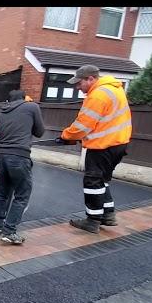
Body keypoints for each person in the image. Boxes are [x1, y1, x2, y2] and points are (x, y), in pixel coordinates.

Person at [57, 65, 131, 234]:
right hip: (118, 144)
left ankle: (92, 221)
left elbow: (83, 125)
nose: (77, 87)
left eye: (79, 83)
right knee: (102, 181)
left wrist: (66, 136)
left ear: (90, 79)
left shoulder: (98, 95)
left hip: (102, 146)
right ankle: (108, 215)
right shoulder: (115, 90)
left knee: (92, 182)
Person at [0, 89, 45, 244]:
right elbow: (40, 132)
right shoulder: (32, 107)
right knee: (22, 195)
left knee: (2, 192)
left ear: (9, 101)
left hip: (1, 157)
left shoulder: (1, 115)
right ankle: (9, 231)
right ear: (24, 98)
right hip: (19, 156)